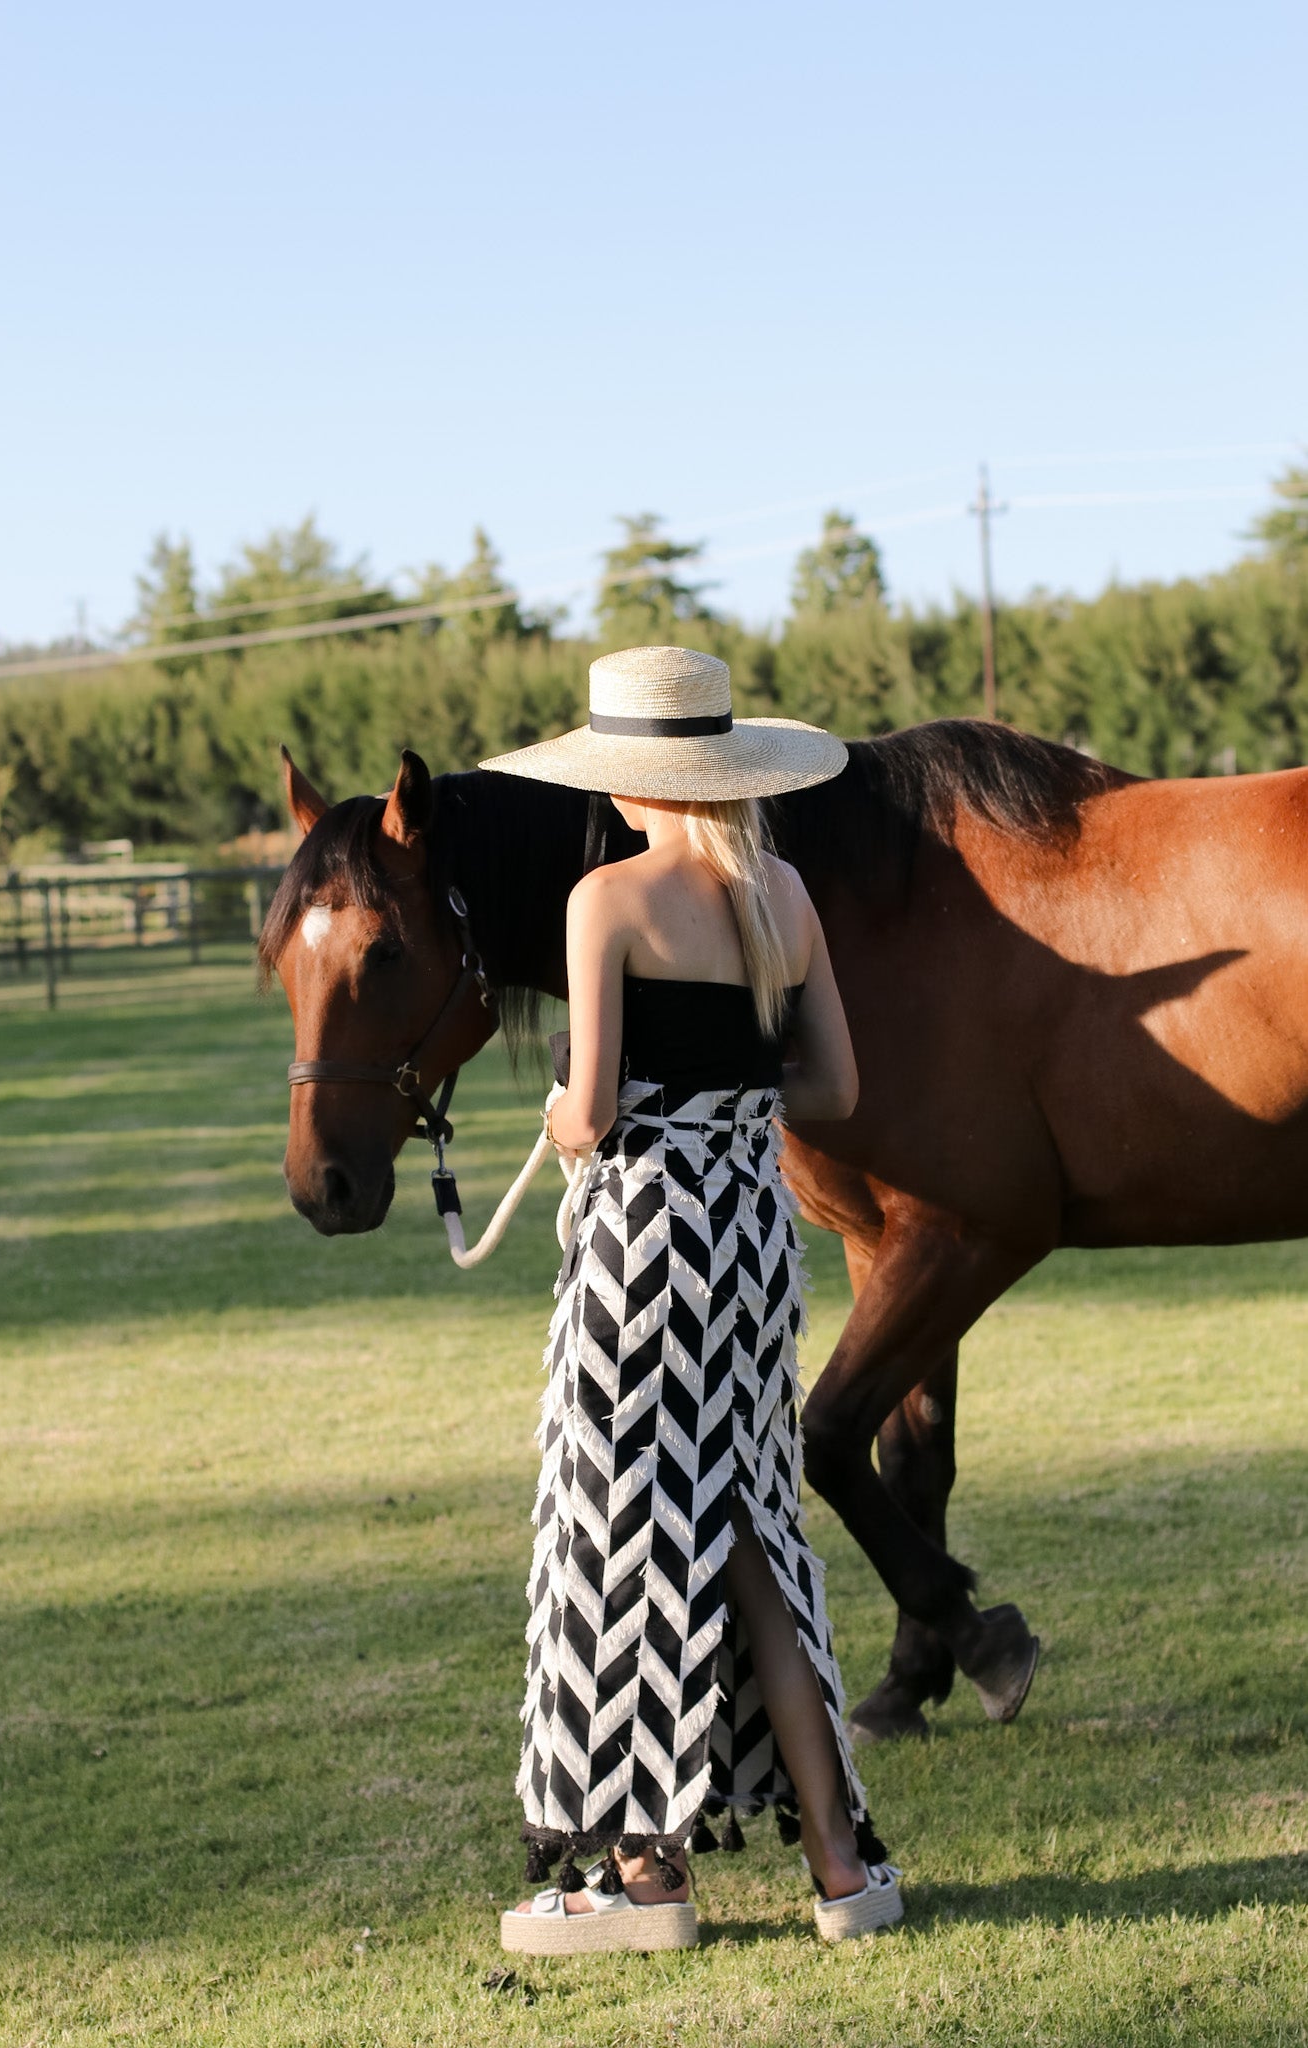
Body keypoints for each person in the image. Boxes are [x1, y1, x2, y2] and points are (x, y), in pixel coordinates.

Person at [479, 645, 902, 1955]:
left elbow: (593, 1116)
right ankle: (842, 1868)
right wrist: (723, 1085)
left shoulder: (604, 899)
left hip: (642, 1242)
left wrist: (563, 1098)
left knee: (619, 1530)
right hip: (751, 1249)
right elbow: (827, 1091)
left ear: (628, 779)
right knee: (745, 1532)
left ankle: (638, 1878)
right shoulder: (780, 893)